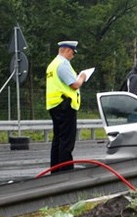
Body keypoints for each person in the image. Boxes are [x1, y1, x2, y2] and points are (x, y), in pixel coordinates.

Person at [46, 40, 87, 173]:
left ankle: (56, 170)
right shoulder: (63, 64)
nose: (73, 56)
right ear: (68, 50)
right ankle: (66, 171)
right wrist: (82, 77)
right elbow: (74, 84)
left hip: (55, 105)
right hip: (65, 106)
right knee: (66, 141)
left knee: (58, 139)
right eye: (73, 53)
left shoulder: (52, 64)